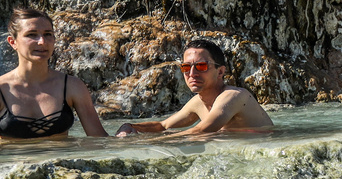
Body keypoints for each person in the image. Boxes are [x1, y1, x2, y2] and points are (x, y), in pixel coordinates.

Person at [0, 6, 109, 148]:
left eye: (48, 34)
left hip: (62, 165)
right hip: (14, 166)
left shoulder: (72, 86)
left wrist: (126, 130)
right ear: (13, 42)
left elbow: (100, 141)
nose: (42, 42)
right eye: (32, 35)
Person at [116, 39, 274, 137]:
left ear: (220, 71)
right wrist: (130, 127)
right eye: (186, 67)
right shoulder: (198, 102)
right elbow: (163, 126)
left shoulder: (235, 96)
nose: (192, 73)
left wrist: (148, 143)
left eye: (201, 66)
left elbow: (201, 130)